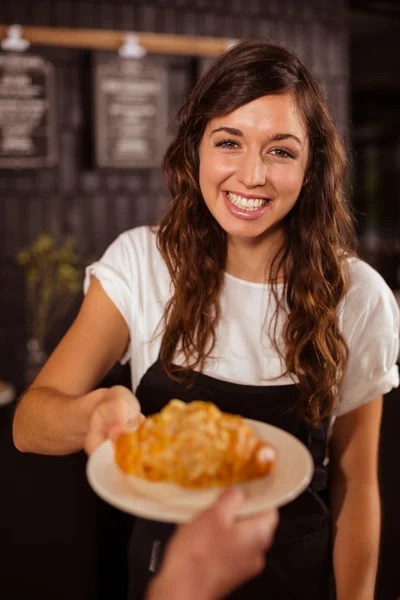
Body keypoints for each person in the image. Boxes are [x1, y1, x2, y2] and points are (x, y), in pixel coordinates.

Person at [13, 38, 399, 600]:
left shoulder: (357, 294)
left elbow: (357, 485)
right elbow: (29, 424)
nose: (251, 175)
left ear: (313, 166)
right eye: (229, 142)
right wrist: (89, 412)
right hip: (166, 576)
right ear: (195, 149)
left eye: (281, 151)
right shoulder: (141, 263)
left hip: (298, 577)